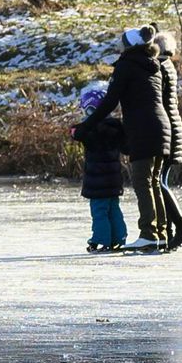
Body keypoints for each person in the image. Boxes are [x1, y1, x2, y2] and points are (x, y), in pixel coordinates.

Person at [104, 30, 182, 251]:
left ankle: (174, 229)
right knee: (157, 182)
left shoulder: (157, 67)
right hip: (169, 129)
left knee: (154, 183)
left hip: (161, 131)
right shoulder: (163, 66)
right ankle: (167, 233)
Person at [70, 83, 129, 253]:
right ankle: (119, 237)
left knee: (99, 211)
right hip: (114, 179)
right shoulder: (115, 128)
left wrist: (78, 128)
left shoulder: (91, 130)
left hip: (97, 180)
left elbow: (78, 134)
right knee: (113, 209)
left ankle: (101, 239)